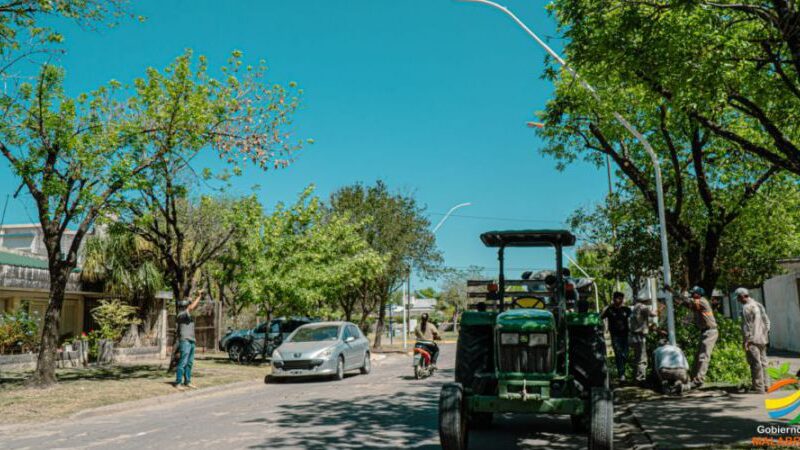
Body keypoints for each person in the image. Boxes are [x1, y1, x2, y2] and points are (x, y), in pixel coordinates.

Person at [674, 286, 718, 388]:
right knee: (699, 356)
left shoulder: (702, 301)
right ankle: (693, 379)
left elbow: (687, 301)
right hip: (705, 332)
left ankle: (698, 380)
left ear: (698, 294)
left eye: (694, 293)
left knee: (703, 356)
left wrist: (672, 291)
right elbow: (687, 304)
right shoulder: (697, 304)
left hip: (710, 332)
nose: (692, 295)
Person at [737, 287, 770, 393]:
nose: (738, 300)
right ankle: (766, 385)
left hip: (752, 340)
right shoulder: (759, 305)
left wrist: (747, 340)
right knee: (764, 362)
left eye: (738, 297)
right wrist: (764, 333)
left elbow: (747, 326)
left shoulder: (746, 307)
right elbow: (767, 322)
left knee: (755, 363)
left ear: (742, 296)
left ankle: (759, 387)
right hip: (763, 338)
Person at [175, 288, 204, 390]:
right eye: (187, 304)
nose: (189, 305)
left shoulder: (187, 314)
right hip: (185, 341)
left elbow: (193, 306)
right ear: (184, 306)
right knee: (183, 362)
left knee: (189, 363)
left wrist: (193, 299)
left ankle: (187, 382)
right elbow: (191, 307)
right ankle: (178, 382)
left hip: (191, 341)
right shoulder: (181, 314)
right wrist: (199, 296)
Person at [601, 292, 632, 382]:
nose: (620, 300)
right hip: (615, 336)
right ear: (614, 299)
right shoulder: (610, 310)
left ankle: (622, 372)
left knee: (625, 355)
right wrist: (607, 306)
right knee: (618, 354)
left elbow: (632, 320)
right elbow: (601, 316)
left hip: (626, 335)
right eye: (618, 298)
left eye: (621, 298)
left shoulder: (627, 309)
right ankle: (621, 375)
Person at [630, 296, 657, 383]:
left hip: (633, 335)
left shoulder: (635, 307)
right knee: (642, 358)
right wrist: (659, 309)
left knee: (637, 357)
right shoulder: (643, 307)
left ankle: (636, 377)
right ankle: (640, 379)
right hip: (640, 336)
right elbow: (653, 314)